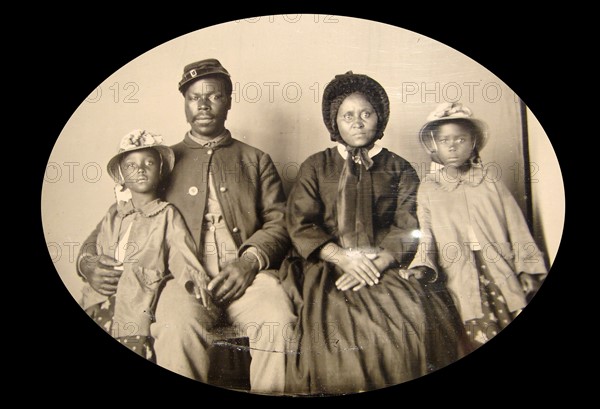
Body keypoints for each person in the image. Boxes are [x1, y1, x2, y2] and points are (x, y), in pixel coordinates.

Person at [78, 59, 295, 394]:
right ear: (185, 103)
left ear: (229, 101)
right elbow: (120, 217)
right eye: (194, 97)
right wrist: (89, 262)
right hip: (179, 280)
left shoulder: (255, 159)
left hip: (248, 278)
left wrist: (248, 262)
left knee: (278, 321)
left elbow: (279, 223)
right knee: (176, 326)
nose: (204, 105)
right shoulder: (162, 161)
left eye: (214, 96)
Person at [279, 72, 469, 395]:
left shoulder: (399, 168)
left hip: (385, 264)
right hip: (328, 266)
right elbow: (300, 222)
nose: (357, 123)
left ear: (379, 118)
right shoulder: (315, 166)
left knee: (410, 317)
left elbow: (408, 224)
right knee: (335, 331)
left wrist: (377, 263)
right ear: (334, 122)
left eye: (366, 114)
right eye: (347, 116)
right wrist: (342, 258)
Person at [400, 102, 547, 348]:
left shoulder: (490, 181)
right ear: (434, 146)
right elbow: (426, 234)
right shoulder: (429, 188)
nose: (453, 146)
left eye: (460, 139)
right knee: (471, 330)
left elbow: (517, 227)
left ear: (473, 143)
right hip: (457, 271)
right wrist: (422, 265)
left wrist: (527, 268)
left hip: (498, 266)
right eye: (445, 140)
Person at [80, 129, 213, 359]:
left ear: (160, 171)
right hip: (98, 302)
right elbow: (97, 248)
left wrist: (194, 281)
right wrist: (92, 265)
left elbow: (182, 254)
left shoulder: (166, 215)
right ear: (121, 175)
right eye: (131, 165)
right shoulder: (114, 213)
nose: (140, 170)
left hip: (135, 303)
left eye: (148, 163)